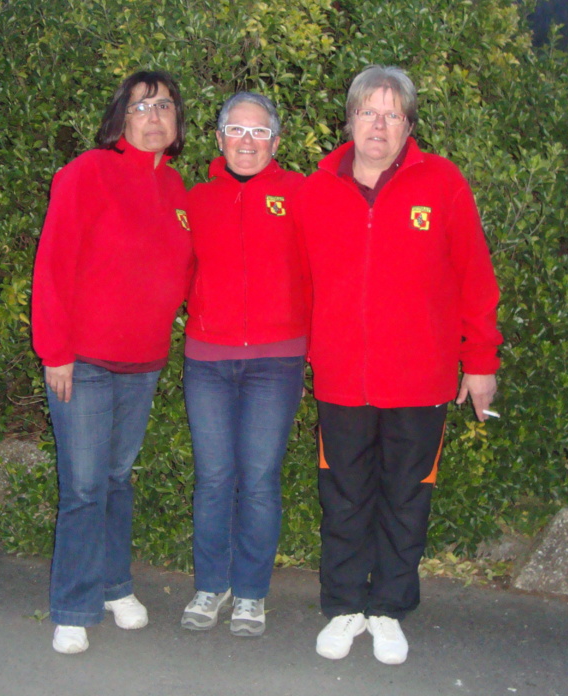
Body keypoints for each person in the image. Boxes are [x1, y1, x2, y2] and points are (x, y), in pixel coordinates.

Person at [293, 66, 502, 665]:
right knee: (345, 497)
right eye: (367, 112)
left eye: (391, 114)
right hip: (341, 379)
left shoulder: (441, 183)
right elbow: (302, 283)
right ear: (350, 119)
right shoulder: (318, 189)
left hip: (421, 379)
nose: (377, 125)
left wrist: (479, 359)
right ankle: (343, 608)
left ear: (409, 123)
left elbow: (474, 276)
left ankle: (386, 609)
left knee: (406, 498)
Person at [31, 71, 193, 655]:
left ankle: (114, 585)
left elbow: (189, 274)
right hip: (86, 361)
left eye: (166, 107)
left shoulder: (177, 190)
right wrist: (56, 351)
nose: (155, 116)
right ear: (121, 117)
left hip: (143, 362)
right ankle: (73, 606)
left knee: (117, 479)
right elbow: (52, 265)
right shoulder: (87, 173)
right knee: (82, 487)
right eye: (142, 105)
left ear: (177, 124)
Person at [179, 92, 307, 637]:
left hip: (277, 361)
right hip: (207, 359)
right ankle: (212, 585)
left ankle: (251, 593)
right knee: (213, 478)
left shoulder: (301, 194)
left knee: (257, 480)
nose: (247, 142)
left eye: (259, 133)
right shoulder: (195, 200)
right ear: (219, 138)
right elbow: (174, 271)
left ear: (276, 142)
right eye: (237, 130)